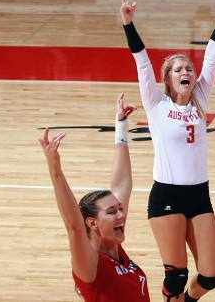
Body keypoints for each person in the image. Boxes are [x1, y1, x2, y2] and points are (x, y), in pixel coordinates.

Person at [120, 0, 215, 302]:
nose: (186, 72)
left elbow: (214, 56)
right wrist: (128, 25)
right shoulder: (156, 104)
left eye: (189, 68)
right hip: (167, 195)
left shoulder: (200, 100)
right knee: (176, 274)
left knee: (211, 275)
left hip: (199, 195)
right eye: (178, 69)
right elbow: (142, 63)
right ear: (168, 79)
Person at [38, 94, 149, 302]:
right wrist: (55, 171)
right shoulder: (90, 266)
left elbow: (122, 184)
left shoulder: (117, 252)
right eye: (112, 211)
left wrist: (121, 128)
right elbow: (74, 226)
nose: (121, 214)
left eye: (120, 208)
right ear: (92, 223)